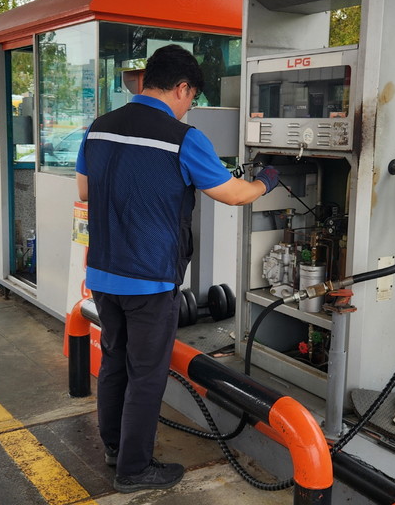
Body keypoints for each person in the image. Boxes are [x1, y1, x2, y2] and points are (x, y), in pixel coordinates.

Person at [75, 44, 278, 494]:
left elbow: (85, 191)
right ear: (182, 88)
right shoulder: (183, 138)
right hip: (150, 278)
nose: (190, 107)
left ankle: (115, 448)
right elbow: (233, 194)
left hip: (104, 273)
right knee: (147, 374)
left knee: (115, 361)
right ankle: (133, 469)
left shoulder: (99, 128)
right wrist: (266, 180)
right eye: (193, 98)